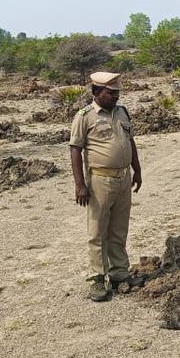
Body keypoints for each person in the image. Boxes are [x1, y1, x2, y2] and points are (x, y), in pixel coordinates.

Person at [69, 71, 143, 302]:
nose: (115, 97)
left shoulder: (122, 112)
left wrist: (137, 170)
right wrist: (80, 184)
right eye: (111, 93)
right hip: (100, 180)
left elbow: (130, 141)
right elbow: (75, 149)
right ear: (96, 92)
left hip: (123, 179)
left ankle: (120, 274)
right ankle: (97, 279)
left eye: (117, 92)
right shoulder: (85, 116)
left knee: (119, 229)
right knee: (97, 231)